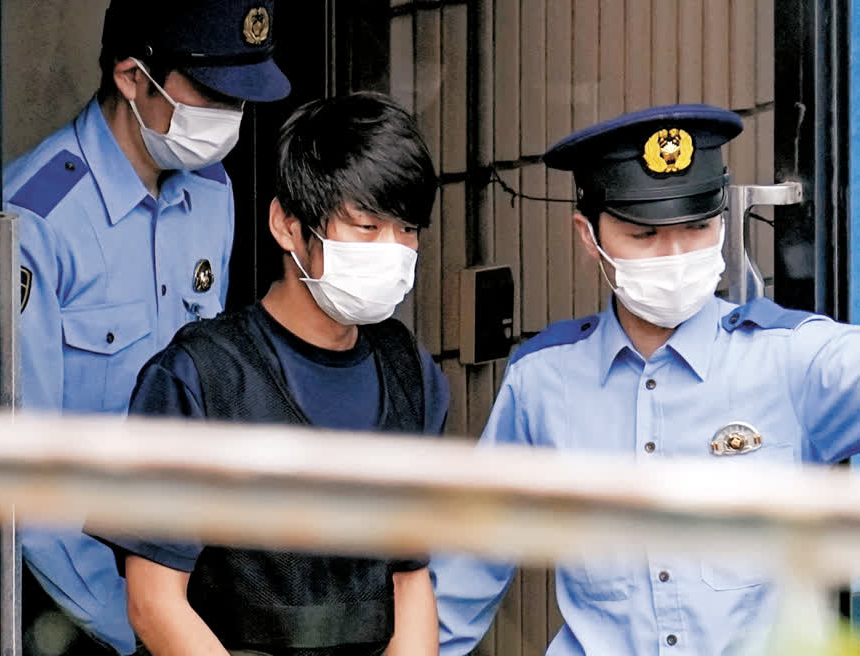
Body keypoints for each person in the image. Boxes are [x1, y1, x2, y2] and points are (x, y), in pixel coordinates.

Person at [430, 104, 860, 655]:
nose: (676, 256)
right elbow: (465, 575)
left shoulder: (791, 358)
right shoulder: (542, 380)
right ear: (589, 237)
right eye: (645, 234)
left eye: (697, 227)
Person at [91, 91, 447, 655]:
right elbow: (154, 601)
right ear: (287, 224)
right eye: (366, 226)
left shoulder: (410, 374)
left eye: (407, 229)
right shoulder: (198, 377)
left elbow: (410, 579)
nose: (394, 249)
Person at [5, 1, 290, 653]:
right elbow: (27, 482)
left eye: (240, 98)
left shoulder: (211, 191)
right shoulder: (36, 220)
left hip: (182, 584)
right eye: (213, 95)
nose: (230, 116)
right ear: (133, 76)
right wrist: (138, 625)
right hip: (72, 603)